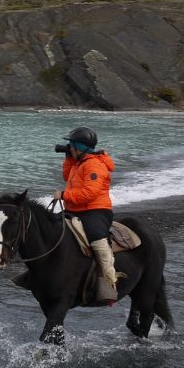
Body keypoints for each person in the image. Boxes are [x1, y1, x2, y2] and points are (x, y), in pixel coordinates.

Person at [54, 126, 120, 304]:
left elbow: (89, 194)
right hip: (75, 208)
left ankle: (109, 283)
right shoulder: (79, 163)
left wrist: (65, 195)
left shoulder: (94, 165)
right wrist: (68, 158)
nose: (69, 148)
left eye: (72, 146)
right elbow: (67, 177)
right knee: (50, 226)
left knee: (98, 242)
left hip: (95, 211)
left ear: (80, 147)